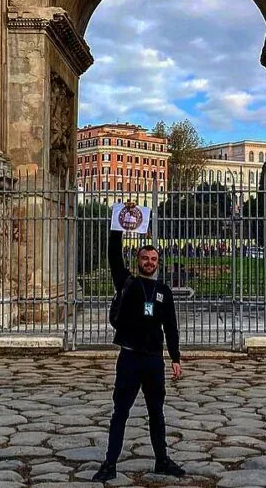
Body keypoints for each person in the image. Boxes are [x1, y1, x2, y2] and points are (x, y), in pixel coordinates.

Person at [92, 205, 184, 483]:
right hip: (130, 357)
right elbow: (113, 254)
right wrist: (119, 222)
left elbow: (171, 327)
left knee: (157, 413)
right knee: (120, 412)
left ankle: (162, 460)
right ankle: (110, 463)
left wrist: (176, 357)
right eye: (145, 258)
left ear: (158, 262)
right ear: (138, 260)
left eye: (153, 259)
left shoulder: (163, 292)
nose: (149, 262)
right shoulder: (126, 283)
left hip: (154, 359)